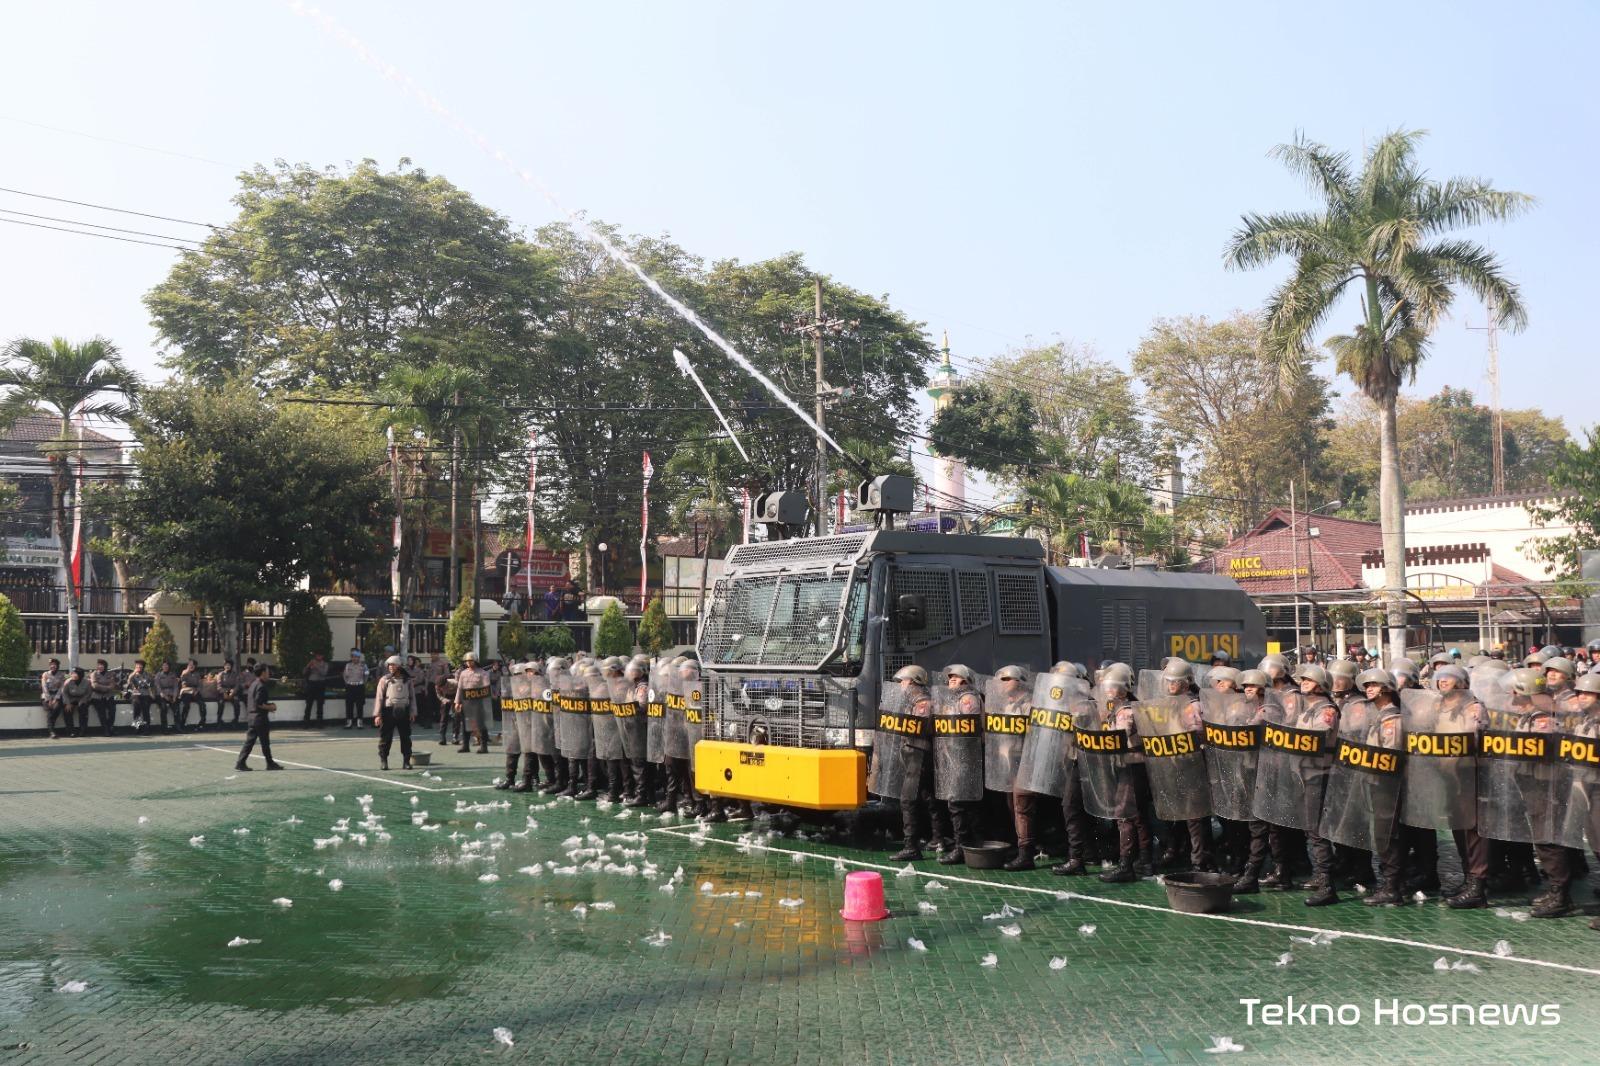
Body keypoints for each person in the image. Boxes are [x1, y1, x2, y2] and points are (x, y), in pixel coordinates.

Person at [887, 665, 945, 862]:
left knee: (908, 799)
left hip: (918, 754)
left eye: (903, 681)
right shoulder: (914, 702)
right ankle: (938, 839)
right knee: (929, 797)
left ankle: (911, 846)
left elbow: (919, 731)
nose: (900, 685)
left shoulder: (923, 704)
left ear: (912, 681)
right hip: (916, 754)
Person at [933, 664, 986, 866]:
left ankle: (961, 848)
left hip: (965, 756)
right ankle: (972, 845)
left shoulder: (968, 699)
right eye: (950, 677)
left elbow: (965, 732)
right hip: (955, 756)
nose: (951, 680)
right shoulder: (955, 699)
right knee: (966, 803)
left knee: (957, 802)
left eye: (956, 677)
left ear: (965, 679)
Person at [234, 665, 283, 771]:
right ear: (263, 673)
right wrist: (271, 707)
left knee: (250, 742)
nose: (269, 674)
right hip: (260, 718)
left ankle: (241, 762)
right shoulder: (261, 686)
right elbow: (259, 703)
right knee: (265, 742)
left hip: (252, 717)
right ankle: (270, 763)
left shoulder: (253, 684)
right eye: (267, 671)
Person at [372, 655, 416, 771]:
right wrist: (377, 715)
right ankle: (384, 761)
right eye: (389, 665)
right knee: (386, 738)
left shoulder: (407, 680)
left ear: (399, 666)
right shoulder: (384, 680)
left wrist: (412, 712)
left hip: (404, 711)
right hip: (388, 712)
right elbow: (379, 698)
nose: (390, 667)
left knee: (406, 737)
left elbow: (412, 697)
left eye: (393, 665)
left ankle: (406, 761)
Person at [454, 651, 494, 754]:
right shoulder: (463, 673)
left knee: (481, 724)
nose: (468, 663)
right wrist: (457, 702)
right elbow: (460, 688)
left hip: (479, 702)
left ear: (475, 661)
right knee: (466, 724)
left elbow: (487, 688)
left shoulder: (483, 673)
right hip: (466, 702)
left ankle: (484, 746)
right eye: (467, 661)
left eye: (470, 661)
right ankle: (465, 746)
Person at [124, 659, 156, 734]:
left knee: (145, 708)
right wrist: (134, 673)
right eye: (137, 666)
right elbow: (128, 682)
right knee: (136, 706)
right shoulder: (132, 675)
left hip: (145, 693)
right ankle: (137, 727)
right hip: (135, 694)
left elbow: (151, 685)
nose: (138, 667)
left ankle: (146, 728)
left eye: (140, 666)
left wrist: (152, 694)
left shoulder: (147, 675)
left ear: (143, 667)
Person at [89, 658, 118, 736]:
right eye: (98, 665)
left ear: (105, 666)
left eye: (102, 665)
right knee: (102, 713)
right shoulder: (94, 674)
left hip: (108, 695)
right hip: (97, 696)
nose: (100, 667)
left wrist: (105, 688)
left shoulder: (110, 674)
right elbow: (94, 685)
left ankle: (109, 727)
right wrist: (106, 688)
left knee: (112, 711)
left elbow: (112, 685)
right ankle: (106, 730)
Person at [39, 658, 66, 739]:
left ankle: (51, 730)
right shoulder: (45, 674)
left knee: (56, 709)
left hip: (57, 696)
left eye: (54, 664)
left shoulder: (61, 675)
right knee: (50, 710)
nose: (52, 666)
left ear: (57, 666)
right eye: (51, 665)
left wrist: (56, 699)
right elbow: (44, 687)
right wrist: (49, 699)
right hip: (47, 696)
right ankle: (52, 731)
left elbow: (62, 688)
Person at [62, 667, 92, 738]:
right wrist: (67, 703)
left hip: (82, 699)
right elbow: (64, 693)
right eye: (72, 673)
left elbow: (88, 693)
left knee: (83, 709)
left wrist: (82, 700)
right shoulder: (68, 682)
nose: (73, 675)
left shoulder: (87, 682)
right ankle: (71, 731)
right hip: (71, 699)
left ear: (80, 675)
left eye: (75, 673)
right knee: (67, 710)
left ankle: (82, 730)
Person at [177, 658, 207, 730]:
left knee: (202, 704)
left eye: (193, 665)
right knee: (186, 705)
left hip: (195, 691)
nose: (191, 666)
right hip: (187, 691)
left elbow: (200, 684)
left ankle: (202, 723)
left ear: (195, 666)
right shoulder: (184, 672)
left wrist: (197, 690)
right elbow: (183, 684)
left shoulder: (197, 674)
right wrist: (186, 672)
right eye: (190, 664)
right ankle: (182, 723)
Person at [342, 649, 368, 729]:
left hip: (359, 686)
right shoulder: (348, 665)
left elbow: (366, 675)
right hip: (350, 686)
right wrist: (347, 683)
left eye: (356, 657)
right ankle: (349, 722)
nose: (355, 658)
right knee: (349, 704)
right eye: (353, 657)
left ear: (359, 658)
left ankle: (359, 722)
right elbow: (345, 675)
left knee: (359, 704)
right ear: (351, 657)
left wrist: (363, 683)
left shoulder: (363, 665)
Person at [435, 665, 459, 747]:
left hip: (455, 697)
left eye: (443, 687)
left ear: (446, 683)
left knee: (456, 717)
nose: (441, 688)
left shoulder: (454, 683)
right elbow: (439, 695)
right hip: (445, 698)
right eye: (440, 687)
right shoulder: (437, 685)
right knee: (443, 717)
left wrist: (456, 702)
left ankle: (455, 737)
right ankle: (442, 737)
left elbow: (459, 693)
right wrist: (444, 700)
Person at [302, 652, 329, 725]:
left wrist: (316, 666)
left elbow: (324, 673)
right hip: (311, 684)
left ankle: (319, 722)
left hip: (320, 684)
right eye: (317, 655)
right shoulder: (311, 662)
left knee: (320, 704)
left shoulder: (325, 664)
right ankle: (306, 721)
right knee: (309, 703)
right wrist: (308, 666)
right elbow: (304, 673)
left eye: (319, 655)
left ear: (322, 656)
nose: (318, 657)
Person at [217, 659, 245, 726]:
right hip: (223, 693)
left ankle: (236, 720)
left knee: (236, 702)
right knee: (221, 703)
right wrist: (224, 692)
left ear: (231, 666)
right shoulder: (220, 674)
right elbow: (219, 686)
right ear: (224, 666)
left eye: (229, 665)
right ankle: (219, 720)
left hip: (232, 692)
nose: (227, 666)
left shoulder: (235, 674)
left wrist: (233, 692)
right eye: (226, 665)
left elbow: (237, 685)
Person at [154, 661, 180, 732]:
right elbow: (157, 686)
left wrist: (174, 696)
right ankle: (164, 728)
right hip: (161, 695)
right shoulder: (158, 675)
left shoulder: (173, 675)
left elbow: (175, 686)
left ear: (169, 667)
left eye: (167, 665)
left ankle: (178, 727)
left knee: (176, 709)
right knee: (163, 708)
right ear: (162, 667)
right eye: (164, 665)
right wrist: (163, 695)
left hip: (171, 694)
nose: (165, 667)